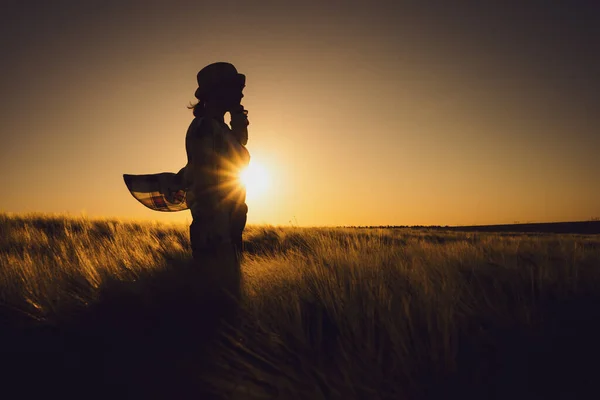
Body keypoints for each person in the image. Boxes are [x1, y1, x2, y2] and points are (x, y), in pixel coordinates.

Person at [179, 62, 251, 264]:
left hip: (228, 224)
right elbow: (207, 187)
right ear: (219, 92)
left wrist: (237, 114)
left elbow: (240, 144)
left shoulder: (218, 127)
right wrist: (223, 239)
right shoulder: (206, 128)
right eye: (237, 88)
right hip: (216, 231)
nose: (242, 93)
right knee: (217, 286)